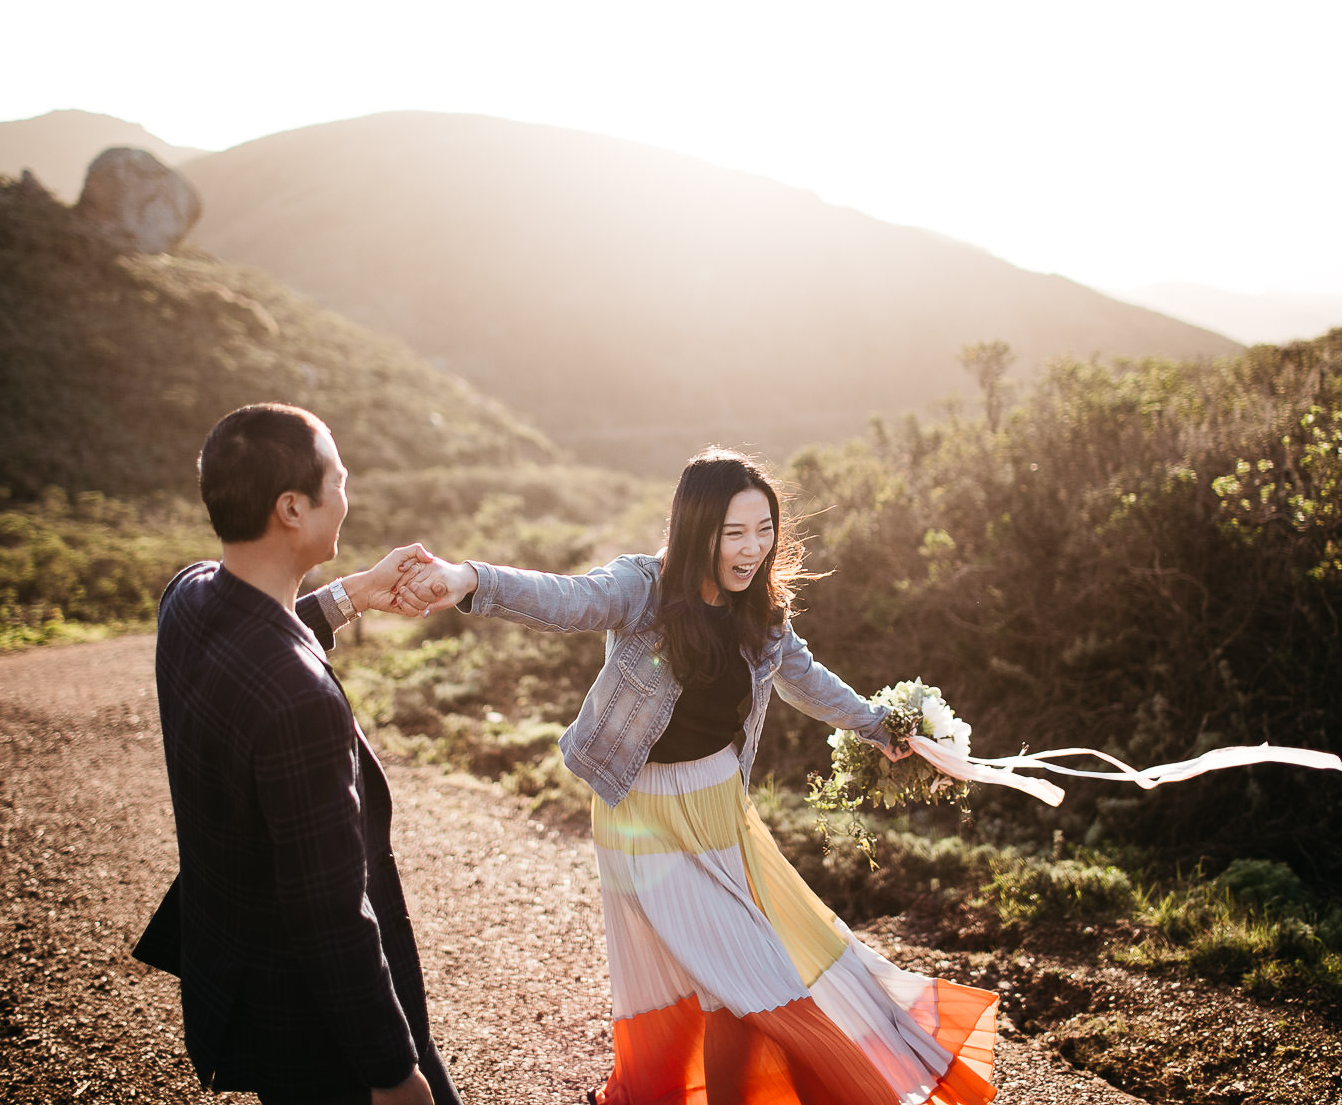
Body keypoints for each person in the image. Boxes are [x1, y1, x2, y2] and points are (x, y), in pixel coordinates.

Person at [407, 448, 998, 1105]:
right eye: (733, 533)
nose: (752, 549)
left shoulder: (762, 611)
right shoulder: (644, 588)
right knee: (719, 982)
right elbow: (569, 600)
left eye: (764, 529)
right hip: (641, 817)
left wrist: (877, 725)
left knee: (741, 981)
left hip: (721, 810)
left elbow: (804, 679)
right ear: (696, 529)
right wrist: (469, 580)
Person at [134, 402, 460, 1105]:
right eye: (338, 481)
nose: (347, 496)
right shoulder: (298, 701)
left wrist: (352, 595)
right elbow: (330, 913)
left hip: (247, 996)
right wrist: (392, 1071)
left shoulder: (187, 600)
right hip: (315, 1027)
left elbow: (257, 636)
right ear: (292, 508)